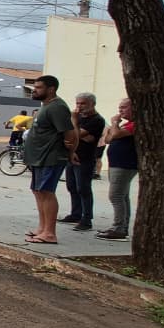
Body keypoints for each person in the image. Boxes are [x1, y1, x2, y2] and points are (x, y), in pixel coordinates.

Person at [23, 75, 77, 245]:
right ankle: (42, 228)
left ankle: (50, 233)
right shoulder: (46, 106)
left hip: (51, 157)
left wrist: (71, 151)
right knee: (38, 191)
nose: (34, 91)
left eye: (39, 87)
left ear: (51, 89)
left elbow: (69, 133)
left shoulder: (57, 107)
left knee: (46, 192)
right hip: (38, 158)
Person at [60, 93, 105, 231]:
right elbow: (68, 134)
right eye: (78, 103)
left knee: (83, 188)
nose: (79, 107)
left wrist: (73, 122)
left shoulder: (96, 120)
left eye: (83, 103)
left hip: (85, 158)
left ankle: (87, 218)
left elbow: (76, 134)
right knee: (72, 186)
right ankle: (76, 213)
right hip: (72, 155)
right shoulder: (79, 118)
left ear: (92, 104)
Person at [96, 98, 137, 241]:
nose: (120, 110)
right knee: (122, 195)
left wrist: (114, 123)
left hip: (125, 164)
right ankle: (121, 226)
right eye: (119, 107)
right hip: (116, 163)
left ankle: (119, 228)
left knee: (116, 195)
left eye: (124, 107)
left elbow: (116, 135)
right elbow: (108, 139)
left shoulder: (134, 125)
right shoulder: (124, 124)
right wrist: (114, 127)